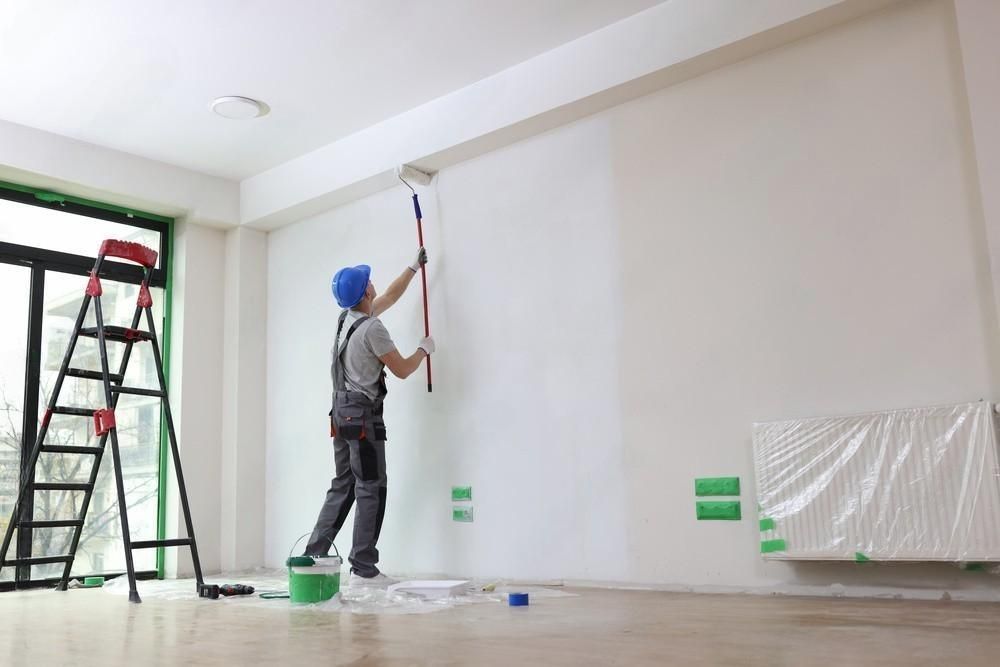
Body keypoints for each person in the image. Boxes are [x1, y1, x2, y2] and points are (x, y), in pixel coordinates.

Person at [303, 248, 434, 587]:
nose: (374, 283)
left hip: (340, 415)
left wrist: (413, 267)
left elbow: (390, 294)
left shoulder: (348, 318)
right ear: (364, 293)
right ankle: (364, 567)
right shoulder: (372, 329)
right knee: (371, 487)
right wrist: (423, 350)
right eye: (368, 281)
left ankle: (312, 557)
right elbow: (403, 369)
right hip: (363, 420)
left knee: (343, 485)